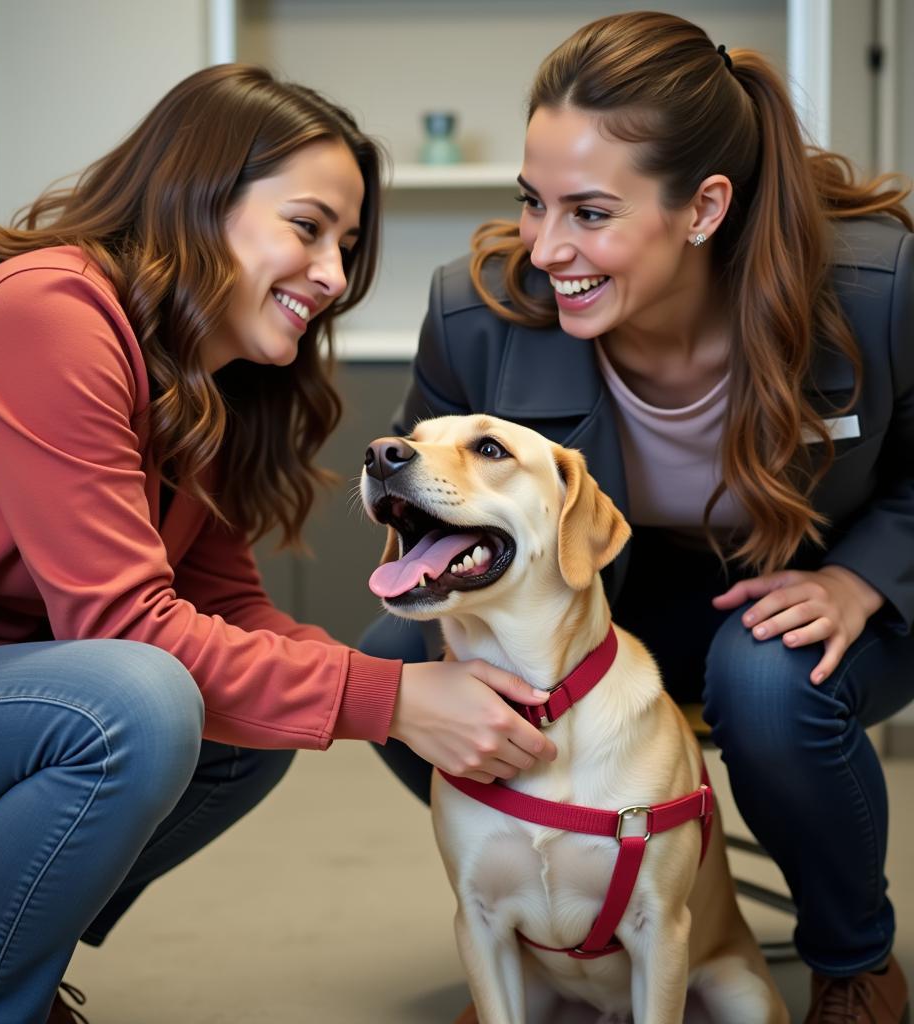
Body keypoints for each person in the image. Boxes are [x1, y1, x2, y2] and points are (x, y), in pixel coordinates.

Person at [0, 64, 559, 1024]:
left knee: (243, 733)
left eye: (347, 244)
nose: (333, 275)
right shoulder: (47, 315)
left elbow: (224, 608)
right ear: (197, 203)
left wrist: (377, 683)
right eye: (307, 227)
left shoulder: (206, 379)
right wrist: (392, 697)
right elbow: (123, 626)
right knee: (142, 697)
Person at [360, 12, 914, 1023]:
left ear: (703, 207)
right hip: (593, 592)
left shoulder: (875, 289)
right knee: (400, 661)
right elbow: (416, 504)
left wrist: (858, 577)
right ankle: (564, 916)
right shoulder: (474, 317)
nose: (546, 247)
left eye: (589, 212)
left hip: (811, 585)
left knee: (766, 680)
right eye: (532, 203)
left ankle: (853, 958)